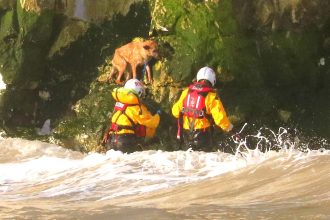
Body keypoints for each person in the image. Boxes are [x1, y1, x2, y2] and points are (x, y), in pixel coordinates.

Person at [172, 66, 233, 151]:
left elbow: (175, 112)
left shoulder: (186, 92)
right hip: (203, 135)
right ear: (213, 81)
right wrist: (229, 128)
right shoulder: (211, 96)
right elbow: (220, 119)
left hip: (186, 135)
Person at [102, 79, 160, 153]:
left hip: (111, 139)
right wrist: (158, 115)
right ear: (139, 93)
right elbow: (151, 122)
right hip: (124, 140)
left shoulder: (120, 103)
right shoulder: (137, 108)